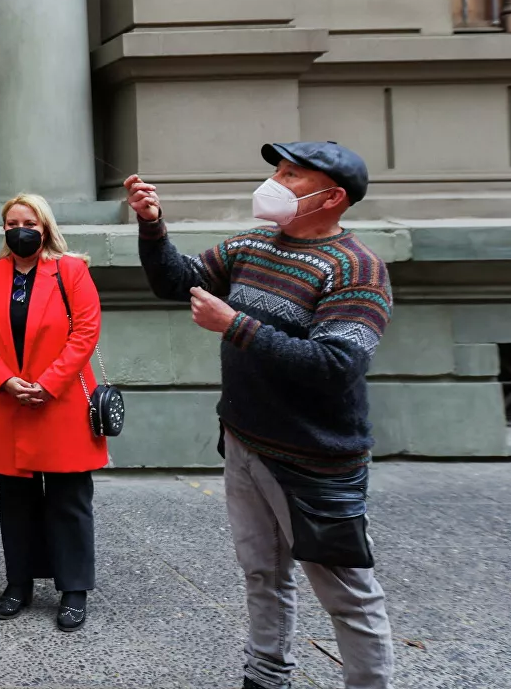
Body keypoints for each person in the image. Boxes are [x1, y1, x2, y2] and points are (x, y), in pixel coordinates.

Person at [125, 141, 394, 689]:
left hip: (315, 462)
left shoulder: (356, 269)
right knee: (262, 573)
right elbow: (178, 281)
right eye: (276, 170)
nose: (274, 181)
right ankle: (267, 676)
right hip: (246, 442)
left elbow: (335, 365)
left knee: (346, 594)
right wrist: (153, 225)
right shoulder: (254, 244)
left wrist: (235, 326)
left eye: (291, 175)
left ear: (332, 197)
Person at [0, 194, 106, 632]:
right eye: (11, 222)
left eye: (27, 221)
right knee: (15, 500)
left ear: (44, 227)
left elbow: (85, 331)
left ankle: (74, 589)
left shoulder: (71, 270)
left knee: (69, 497)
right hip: (7, 402)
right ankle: (18, 584)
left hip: (60, 403)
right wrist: (6, 379)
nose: (18, 229)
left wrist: (48, 383)